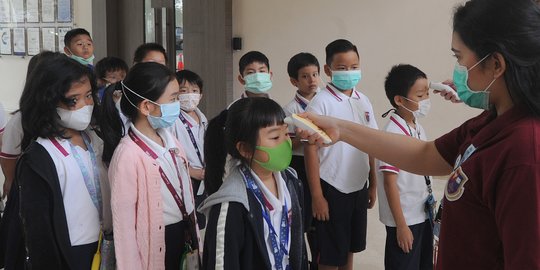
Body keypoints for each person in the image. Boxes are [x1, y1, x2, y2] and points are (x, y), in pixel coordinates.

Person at [299, 0, 540, 268]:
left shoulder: (524, 153)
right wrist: (341, 129)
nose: (457, 70)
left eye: (459, 58)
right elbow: (426, 154)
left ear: (496, 64)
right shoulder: (489, 122)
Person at [1, 53, 105, 269]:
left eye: (88, 96)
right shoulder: (39, 157)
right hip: (70, 251)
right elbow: (39, 233)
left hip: (102, 243)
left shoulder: (93, 139)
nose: (86, 105)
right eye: (74, 100)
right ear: (48, 101)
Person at [106, 62, 198, 270]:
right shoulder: (128, 155)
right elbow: (125, 230)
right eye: (173, 99)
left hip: (181, 233)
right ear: (147, 106)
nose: (179, 103)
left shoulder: (170, 139)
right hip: (156, 242)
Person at [199, 97, 308, 270]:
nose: (285, 142)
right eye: (274, 137)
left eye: (286, 133)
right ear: (246, 149)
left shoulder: (291, 182)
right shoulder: (231, 204)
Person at [304, 39, 377, 270]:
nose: (350, 72)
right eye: (342, 68)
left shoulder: (363, 100)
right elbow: (309, 150)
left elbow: (372, 142)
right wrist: (317, 196)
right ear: (328, 70)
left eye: (354, 67)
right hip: (332, 187)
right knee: (329, 255)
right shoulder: (320, 103)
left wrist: (373, 184)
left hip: (358, 186)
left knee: (349, 249)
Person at [378, 64, 433, 270]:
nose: (426, 100)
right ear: (399, 100)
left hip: (421, 212)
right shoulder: (392, 134)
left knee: (423, 264)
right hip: (405, 219)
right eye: (420, 96)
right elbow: (389, 184)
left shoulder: (416, 126)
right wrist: (401, 226)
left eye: (427, 93)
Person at [1, 50, 56, 199]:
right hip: (32, 189)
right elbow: (8, 157)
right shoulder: (21, 119)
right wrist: (11, 181)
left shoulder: (68, 115)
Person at [282, 52, 320, 267]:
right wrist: (302, 139)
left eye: (315, 74)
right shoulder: (290, 110)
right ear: (294, 81)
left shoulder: (325, 102)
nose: (312, 80)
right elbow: (287, 144)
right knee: (307, 219)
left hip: (324, 164)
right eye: (305, 76)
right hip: (301, 166)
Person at [169, 69, 208, 229]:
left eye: (194, 91)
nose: (189, 95)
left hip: (204, 177)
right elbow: (169, 151)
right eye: (183, 91)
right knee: (188, 223)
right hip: (187, 176)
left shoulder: (203, 118)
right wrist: (190, 171)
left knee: (202, 221)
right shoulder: (173, 120)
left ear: (200, 95)